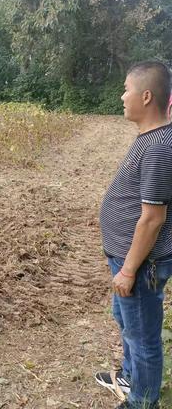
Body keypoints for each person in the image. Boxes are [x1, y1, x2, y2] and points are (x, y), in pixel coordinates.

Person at [95, 61, 172, 409]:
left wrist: (128, 270)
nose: (122, 96)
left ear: (145, 95)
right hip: (128, 258)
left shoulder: (158, 147)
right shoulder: (150, 137)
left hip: (141, 264)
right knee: (127, 321)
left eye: (126, 89)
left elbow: (153, 218)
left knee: (143, 338)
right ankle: (129, 376)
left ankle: (142, 401)